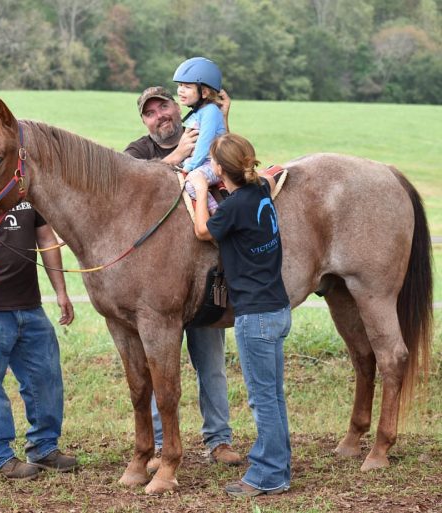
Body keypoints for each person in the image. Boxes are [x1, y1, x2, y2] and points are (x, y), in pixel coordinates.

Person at [125, 86, 242, 470]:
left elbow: (232, 164)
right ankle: (160, 445)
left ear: (178, 108)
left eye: (165, 106)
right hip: (155, 283)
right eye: (151, 112)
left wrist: (221, 120)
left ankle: (219, 440)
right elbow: (126, 187)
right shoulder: (137, 152)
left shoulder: (202, 132)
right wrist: (177, 158)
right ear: (144, 120)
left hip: (202, 279)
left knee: (210, 364)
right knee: (157, 365)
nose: (160, 115)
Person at [188, 133, 292, 497]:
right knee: (273, 396)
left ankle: (269, 475)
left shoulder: (231, 208)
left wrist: (201, 188)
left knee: (262, 398)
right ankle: (277, 463)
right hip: (278, 308)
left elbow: (203, 230)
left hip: (256, 317)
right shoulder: (260, 190)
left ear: (218, 169)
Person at [0, 200, 77, 480]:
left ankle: (44, 447)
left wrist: (60, 292)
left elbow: (45, 239)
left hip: (30, 306)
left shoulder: (28, 196)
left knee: (46, 378)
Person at [173, 56, 227, 214]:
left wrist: (189, 167)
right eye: (180, 85)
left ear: (204, 92)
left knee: (191, 183)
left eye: (187, 87)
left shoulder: (210, 111)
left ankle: (217, 216)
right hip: (200, 161)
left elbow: (204, 143)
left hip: (215, 163)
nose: (181, 90)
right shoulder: (197, 113)